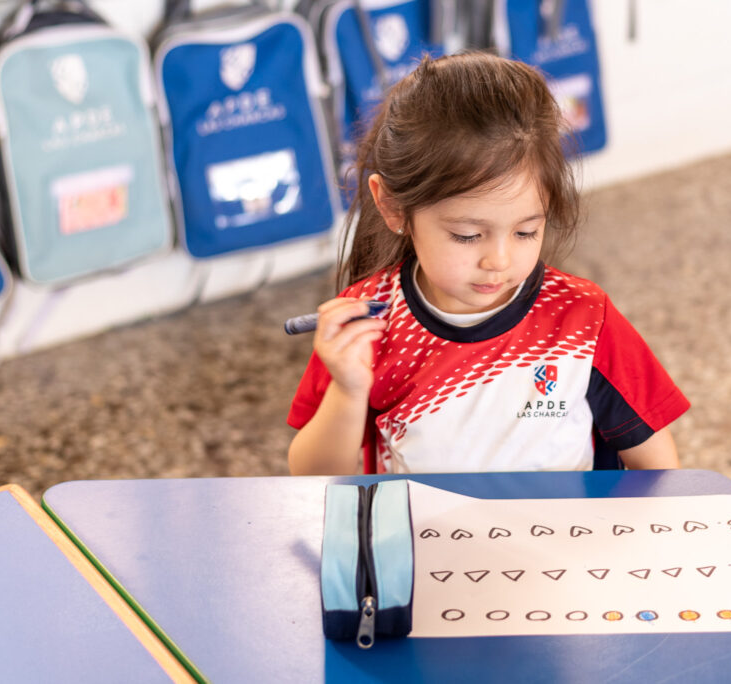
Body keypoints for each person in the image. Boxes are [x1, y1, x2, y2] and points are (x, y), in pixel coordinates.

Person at [287, 52, 689, 476]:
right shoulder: (368, 324)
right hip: (422, 520)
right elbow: (312, 477)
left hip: (562, 522)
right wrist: (348, 391)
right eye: (467, 235)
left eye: (526, 231)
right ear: (392, 206)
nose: (499, 260)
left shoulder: (582, 318)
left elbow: (656, 468)